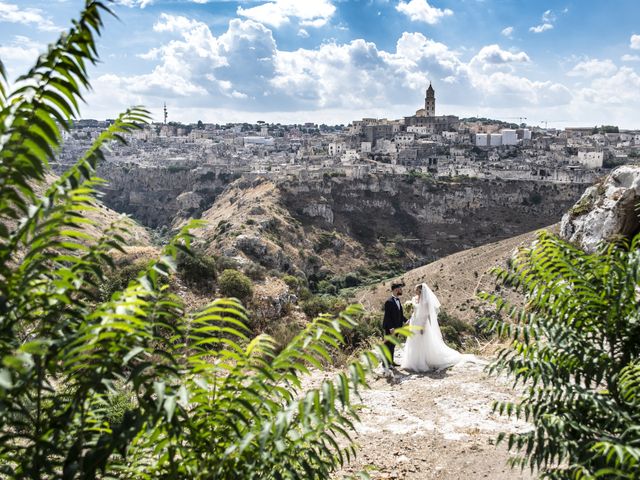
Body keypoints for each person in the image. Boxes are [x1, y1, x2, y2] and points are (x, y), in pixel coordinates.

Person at [402, 283, 472, 371]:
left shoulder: (426, 301)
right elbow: (414, 311)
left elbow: (426, 314)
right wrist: (409, 319)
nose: (414, 290)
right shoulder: (413, 299)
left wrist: (423, 327)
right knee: (413, 340)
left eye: (416, 289)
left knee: (422, 341)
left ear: (420, 290)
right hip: (414, 322)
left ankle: (423, 361)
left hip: (422, 323)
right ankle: (412, 361)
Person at [382, 282, 408, 368]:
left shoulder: (398, 300)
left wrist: (406, 320)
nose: (401, 290)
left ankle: (391, 362)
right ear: (396, 290)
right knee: (387, 345)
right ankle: (386, 364)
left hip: (397, 327)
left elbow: (399, 314)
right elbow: (387, 316)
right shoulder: (388, 302)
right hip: (390, 328)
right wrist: (390, 327)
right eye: (400, 289)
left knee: (392, 345)